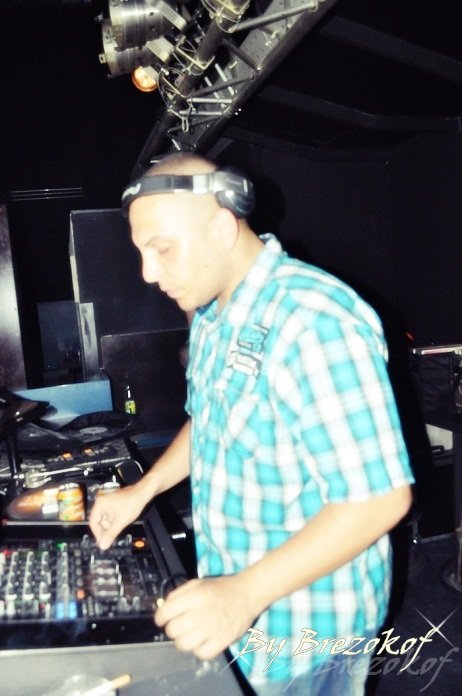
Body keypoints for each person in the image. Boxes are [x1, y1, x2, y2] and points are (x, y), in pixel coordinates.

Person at [89, 152, 414, 695]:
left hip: (310, 632)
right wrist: (142, 491)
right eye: (142, 252)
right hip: (242, 607)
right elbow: (210, 421)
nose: (148, 273)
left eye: (162, 248)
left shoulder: (315, 320)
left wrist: (244, 592)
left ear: (221, 227)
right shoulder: (214, 316)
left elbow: (379, 499)